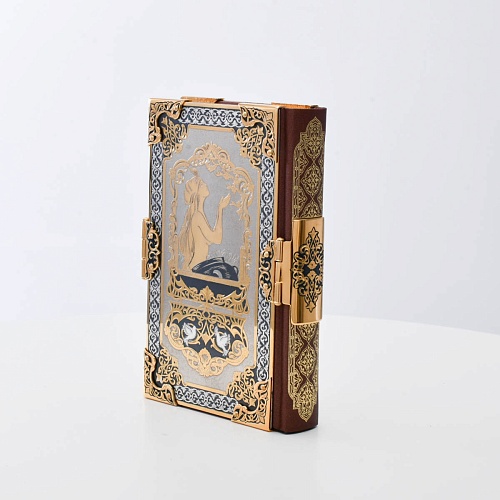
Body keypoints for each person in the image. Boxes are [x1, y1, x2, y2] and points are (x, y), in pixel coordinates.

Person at [179, 172, 239, 281]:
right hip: (198, 268)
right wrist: (220, 209)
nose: (205, 184)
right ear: (197, 192)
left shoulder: (199, 214)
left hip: (201, 264)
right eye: (202, 184)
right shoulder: (197, 216)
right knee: (229, 272)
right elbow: (217, 239)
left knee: (229, 271)